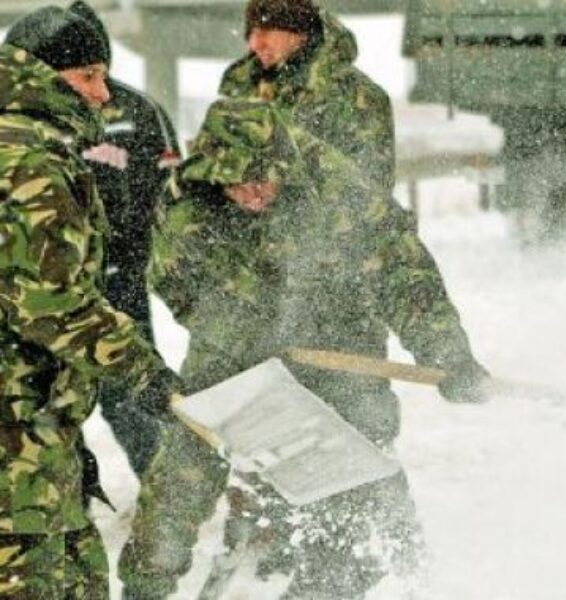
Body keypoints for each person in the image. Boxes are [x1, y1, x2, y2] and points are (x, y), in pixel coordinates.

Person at [119, 98, 488, 598]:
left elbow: (403, 273)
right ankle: (145, 584)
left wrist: (446, 355)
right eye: (237, 184)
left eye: (262, 182)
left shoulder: (334, 187)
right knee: (186, 464)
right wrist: (244, 337)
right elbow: (173, 282)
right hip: (233, 339)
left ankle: (375, 570)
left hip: (338, 332)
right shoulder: (188, 197)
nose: (251, 195)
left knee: (357, 456)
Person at [0, 6, 189, 597]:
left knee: (78, 570)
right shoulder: (29, 160)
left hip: (40, 418)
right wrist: (141, 371)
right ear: (42, 76)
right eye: (88, 77)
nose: (104, 94)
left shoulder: (35, 141)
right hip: (16, 430)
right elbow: (50, 304)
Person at [68, 0, 183, 478]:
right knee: (52, 405)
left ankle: (162, 491)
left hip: (122, 281)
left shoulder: (139, 110)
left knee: (132, 395)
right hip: (54, 285)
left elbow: (173, 196)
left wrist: (156, 262)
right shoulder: (28, 120)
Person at [219, 0, 395, 194]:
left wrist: (280, 185)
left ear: (299, 33)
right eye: (251, 33)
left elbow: (368, 199)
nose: (254, 43)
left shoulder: (355, 96)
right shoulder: (247, 89)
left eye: (265, 31)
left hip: (319, 222)